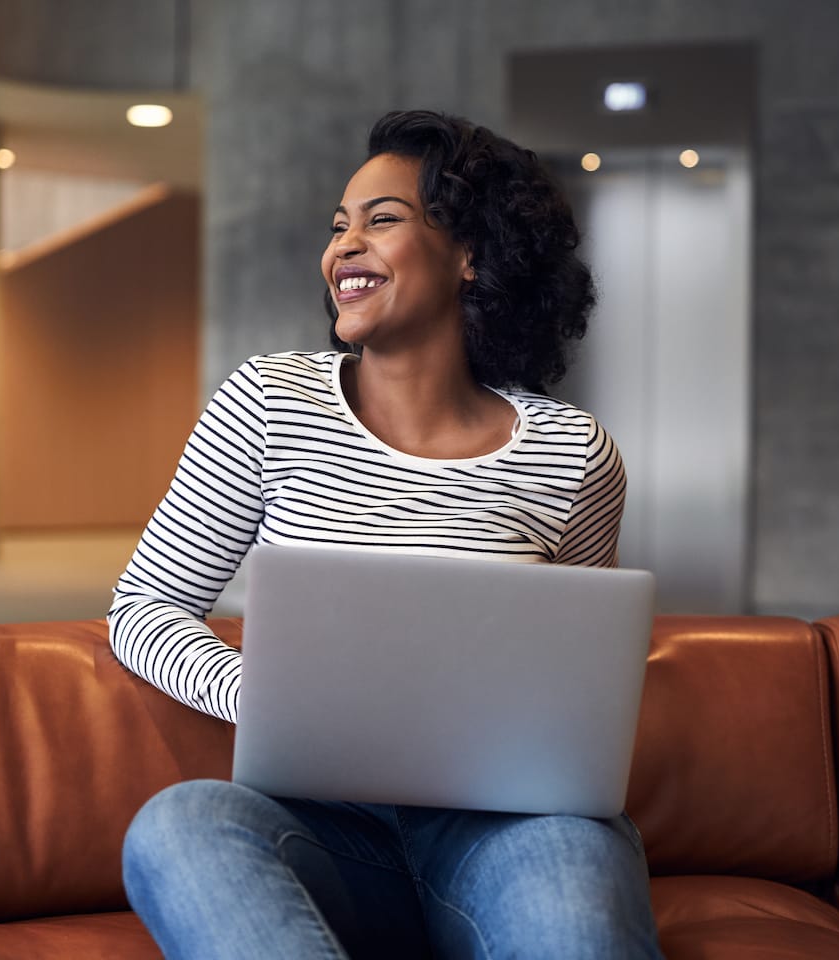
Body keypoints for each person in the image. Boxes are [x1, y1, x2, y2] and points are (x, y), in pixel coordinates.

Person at [109, 109, 662, 960]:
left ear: (471, 255)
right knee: (180, 824)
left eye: (383, 219)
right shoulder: (269, 403)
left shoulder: (572, 453)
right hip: (319, 828)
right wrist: (268, 696)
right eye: (338, 227)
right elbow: (144, 606)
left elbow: (582, 680)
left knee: (567, 881)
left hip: (510, 831)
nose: (344, 246)